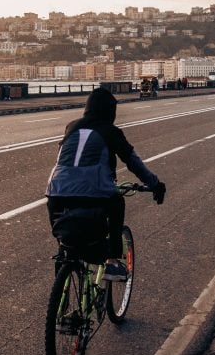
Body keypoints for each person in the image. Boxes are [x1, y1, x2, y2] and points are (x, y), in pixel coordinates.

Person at [45, 88, 166, 280]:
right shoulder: (111, 131)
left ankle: (64, 260)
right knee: (117, 203)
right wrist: (155, 184)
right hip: (94, 192)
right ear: (110, 111)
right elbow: (132, 161)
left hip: (56, 191)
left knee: (66, 237)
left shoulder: (71, 127)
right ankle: (112, 261)